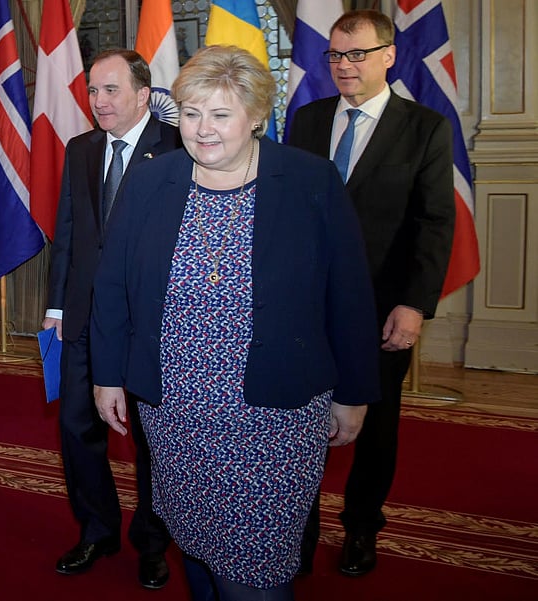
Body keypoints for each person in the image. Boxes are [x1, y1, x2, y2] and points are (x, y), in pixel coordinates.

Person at [91, 45, 380, 600]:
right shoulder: (153, 181)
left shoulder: (308, 180)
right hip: (176, 409)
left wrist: (354, 392)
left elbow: (348, 294)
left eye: (220, 115)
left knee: (258, 567)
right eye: (192, 113)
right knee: (195, 540)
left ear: (255, 116)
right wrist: (107, 374)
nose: (202, 130)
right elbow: (112, 284)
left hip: (275, 412)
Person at [288, 9, 455, 577]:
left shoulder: (425, 127)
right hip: (307, 309)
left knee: (377, 426)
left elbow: (434, 224)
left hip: (385, 310)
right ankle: (297, 530)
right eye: (335, 54)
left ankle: (361, 528)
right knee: (299, 419)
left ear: (389, 55)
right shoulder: (306, 120)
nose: (343, 65)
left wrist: (413, 306)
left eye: (356, 54)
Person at [43, 48, 180, 589]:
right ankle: (96, 529)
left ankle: (152, 541)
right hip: (81, 318)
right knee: (78, 429)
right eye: (93, 91)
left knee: (150, 441)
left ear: (144, 95)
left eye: (111, 90)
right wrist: (55, 308)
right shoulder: (80, 148)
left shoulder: (175, 148)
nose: (98, 101)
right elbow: (69, 234)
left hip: (149, 324)